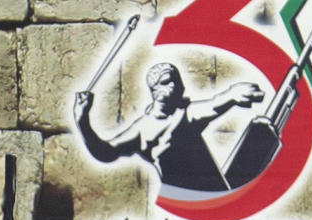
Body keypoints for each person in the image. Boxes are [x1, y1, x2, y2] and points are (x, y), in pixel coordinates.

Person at [73, 61, 263, 194]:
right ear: (155, 90)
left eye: (177, 81)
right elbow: (106, 152)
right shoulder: (142, 129)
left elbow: (212, 105)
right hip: (183, 203)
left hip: (215, 198)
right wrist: (83, 123)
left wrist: (232, 95)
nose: (176, 86)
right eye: (167, 81)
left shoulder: (185, 113)